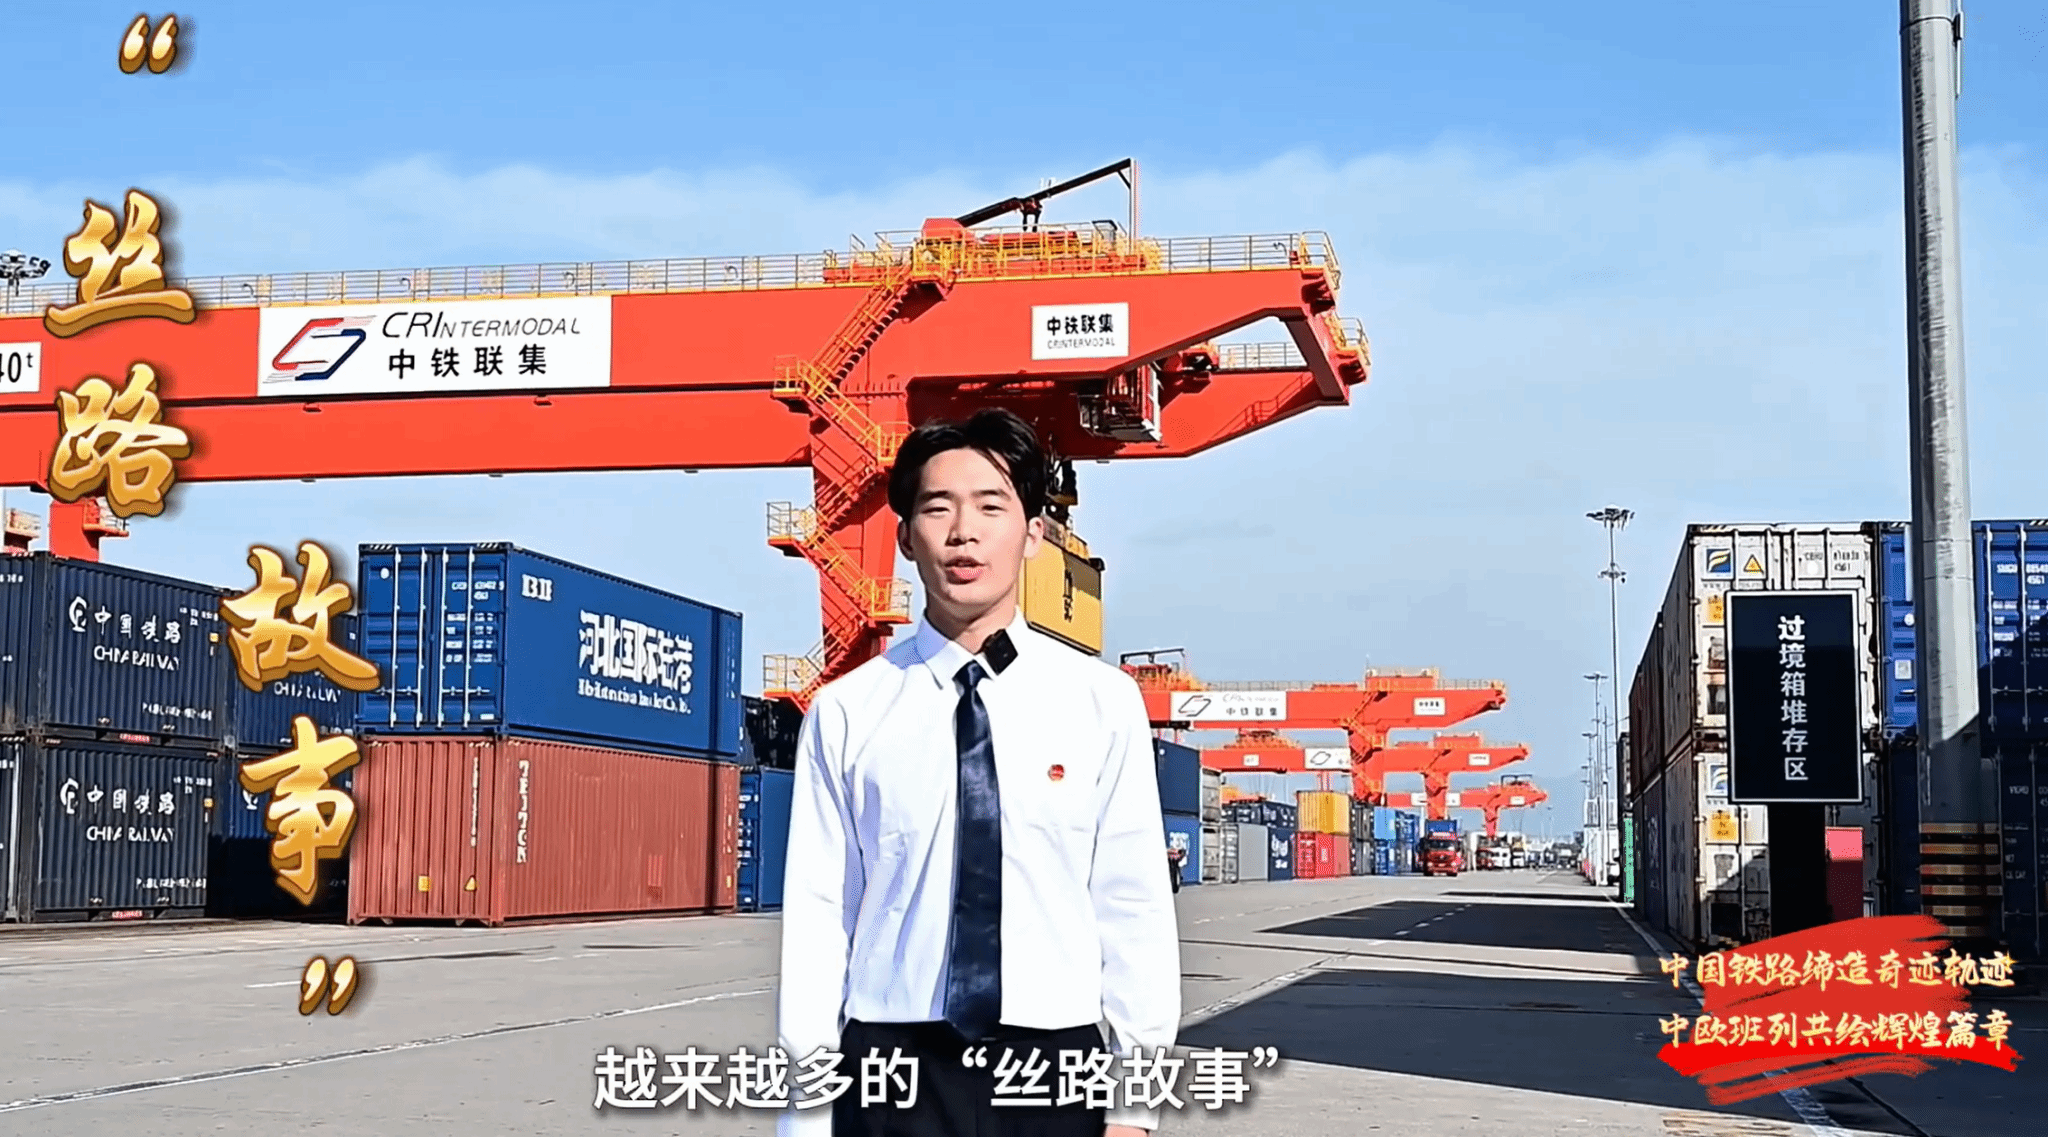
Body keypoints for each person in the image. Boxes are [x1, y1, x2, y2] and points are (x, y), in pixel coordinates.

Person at [775, 407, 1181, 1137]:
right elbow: (819, 918)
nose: (964, 532)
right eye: (938, 508)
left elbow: (1134, 908)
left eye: (991, 507)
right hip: (891, 1061)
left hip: (1055, 1062)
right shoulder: (847, 711)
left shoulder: (1100, 702)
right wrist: (805, 1115)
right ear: (905, 536)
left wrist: (1134, 1102)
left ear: (1032, 533)